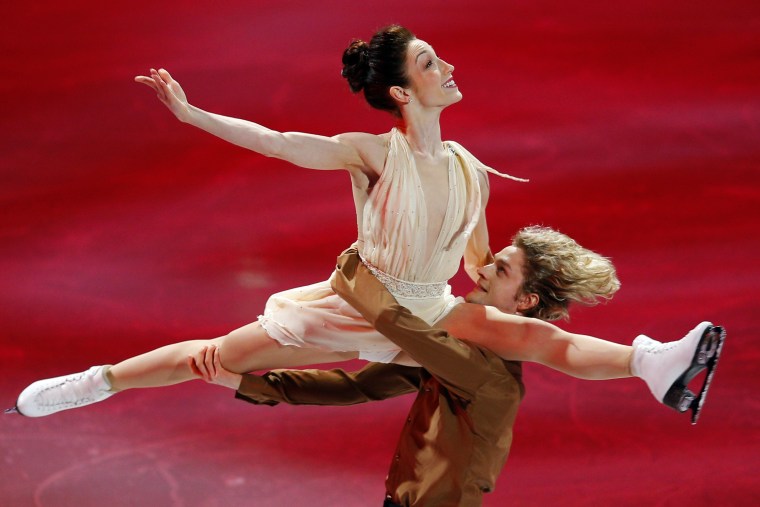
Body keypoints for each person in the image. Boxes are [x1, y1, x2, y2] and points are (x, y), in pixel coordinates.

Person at [8, 27, 718, 421]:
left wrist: (519, 279)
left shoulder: (469, 164)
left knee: (539, 340)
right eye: (430, 63)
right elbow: (281, 140)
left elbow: (470, 259)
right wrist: (194, 115)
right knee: (215, 358)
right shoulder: (376, 152)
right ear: (405, 91)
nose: (447, 67)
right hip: (358, 302)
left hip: (426, 308)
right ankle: (99, 380)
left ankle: (653, 364)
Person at [189, 226, 726, 506]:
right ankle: (650, 364)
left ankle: (651, 364)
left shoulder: (481, 370)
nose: (486, 266)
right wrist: (246, 384)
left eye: (503, 268)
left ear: (525, 299)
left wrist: (355, 267)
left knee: (545, 341)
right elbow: (354, 388)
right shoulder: (467, 356)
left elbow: (397, 321)